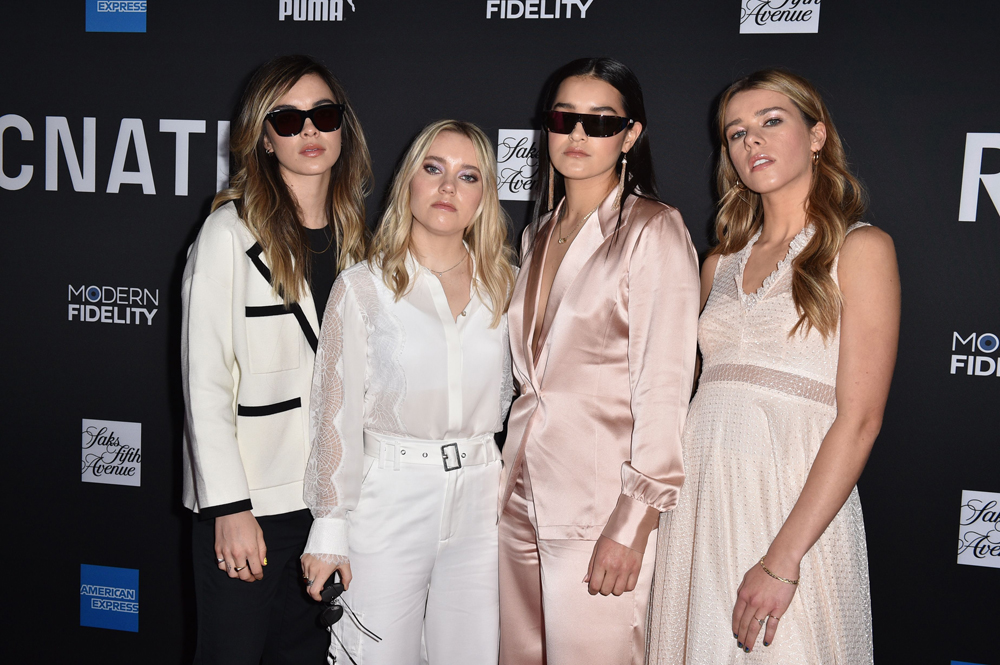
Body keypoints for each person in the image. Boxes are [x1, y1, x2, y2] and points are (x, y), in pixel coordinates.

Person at [647, 69, 900, 664]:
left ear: (816, 137)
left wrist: (783, 561)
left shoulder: (861, 249)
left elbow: (860, 421)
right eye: (737, 133)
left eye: (770, 121)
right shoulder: (718, 264)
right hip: (701, 502)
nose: (751, 140)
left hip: (792, 507)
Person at [498, 57, 700, 665]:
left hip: (599, 509)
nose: (579, 134)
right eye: (564, 119)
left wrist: (633, 521)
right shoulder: (537, 233)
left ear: (630, 136)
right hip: (518, 500)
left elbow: (665, 387)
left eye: (602, 121)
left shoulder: (653, 230)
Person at [300, 120, 516, 665]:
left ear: (484, 197)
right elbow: (334, 412)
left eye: (468, 176)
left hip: (482, 500)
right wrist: (329, 526)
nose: (448, 187)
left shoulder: (509, 285)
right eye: (433, 168)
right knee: (372, 654)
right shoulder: (362, 287)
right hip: (389, 497)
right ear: (409, 181)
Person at [180, 54, 372, 664]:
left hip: (330, 506)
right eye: (287, 119)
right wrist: (229, 509)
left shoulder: (362, 240)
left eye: (323, 114)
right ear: (264, 137)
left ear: (343, 127)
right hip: (253, 506)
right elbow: (205, 382)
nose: (309, 130)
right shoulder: (227, 234)